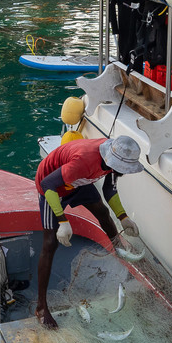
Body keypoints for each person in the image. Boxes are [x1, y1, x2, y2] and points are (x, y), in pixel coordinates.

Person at [33, 135, 143, 328]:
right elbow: (47, 185)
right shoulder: (83, 161)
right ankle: (41, 307)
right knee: (50, 243)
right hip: (53, 190)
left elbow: (109, 189)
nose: (123, 172)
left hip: (78, 183)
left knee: (102, 211)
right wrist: (62, 221)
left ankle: (119, 251)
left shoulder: (112, 155)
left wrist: (123, 217)